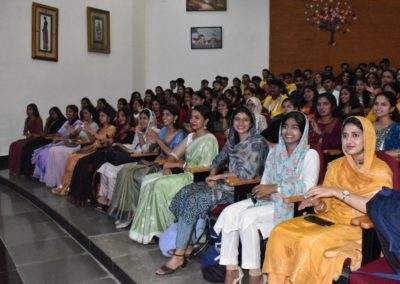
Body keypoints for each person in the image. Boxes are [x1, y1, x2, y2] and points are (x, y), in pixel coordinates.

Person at [263, 116, 393, 284]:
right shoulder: (337, 165)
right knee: (280, 231)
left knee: (311, 243)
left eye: (355, 135)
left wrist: (337, 192)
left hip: (357, 227)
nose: (349, 140)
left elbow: (373, 208)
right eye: (345, 136)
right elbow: (326, 207)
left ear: (367, 138)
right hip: (329, 220)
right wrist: (317, 203)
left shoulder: (380, 170)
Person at [157, 106, 267, 276]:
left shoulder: (257, 142)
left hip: (242, 189)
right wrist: (213, 173)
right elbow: (218, 159)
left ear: (251, 122)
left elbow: (247, 174)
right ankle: (188, 244)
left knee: (195, 200)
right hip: (224, 183)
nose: (241, 123)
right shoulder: (232, 139)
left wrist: (219, 177)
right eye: (237, 119)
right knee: (185, 192)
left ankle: (178, 256)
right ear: (232, 121)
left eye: (245, 120)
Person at [215, 111, 319, 284]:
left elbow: (308, 187)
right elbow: (264, 183)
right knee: (229, 212)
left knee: (247, 217)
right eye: (285, 127)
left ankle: (255, 275)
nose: (288, 131)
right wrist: (265, 190)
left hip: (289, 205)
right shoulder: (274, 152)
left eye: (294, 128)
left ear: (303, 131)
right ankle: (231, 270)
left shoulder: (310, 154)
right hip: (267, 201)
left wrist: (275, 188)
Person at [129, 105, 219, 244]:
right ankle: (147, 230)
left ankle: (161, 231)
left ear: (206, 121)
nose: (193, 120)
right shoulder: (191, 136)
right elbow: (173, 154)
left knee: (159, 185)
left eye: (197, 118)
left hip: (196, 178)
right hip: (184, 173)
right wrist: (169, 165)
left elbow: (205, 169)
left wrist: (179, 165)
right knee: (148, 179)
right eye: (191, 117)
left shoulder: (210, 139)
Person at [106, 105, 186, 228]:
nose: (164, 117)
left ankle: (132, 215)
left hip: (169, 168)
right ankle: (124, 214)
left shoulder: (181, 134)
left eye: (168, 114)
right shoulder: (163, 130)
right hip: (156, 162)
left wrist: (158, 140)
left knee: (136, 176)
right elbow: (150, 149)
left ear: (175, 117)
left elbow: (174, 155)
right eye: (163, 114)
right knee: (124, 171)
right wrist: (147, 145)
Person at [67, 108, 135, 205]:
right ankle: (78, 195)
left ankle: (87, 196)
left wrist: (93, 132)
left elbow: (104, 141)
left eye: (123, 116)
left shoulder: (118, 128)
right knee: (80, 162)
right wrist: (89, 132)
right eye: (119, 116)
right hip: (108, 152)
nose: (120, 118)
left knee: (86, 164)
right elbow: (100, 141)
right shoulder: (118, 129)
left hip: (112, 155)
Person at [95, 108, 158, 208]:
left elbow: (146, 151)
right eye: (140, 118)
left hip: (142, 160)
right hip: (133, 156)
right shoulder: (141, 130)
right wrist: (122, 146)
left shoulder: (154, 131)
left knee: (112, 170)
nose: (142, 121)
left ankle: (112, 201)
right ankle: (104, 197)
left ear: (150, 119)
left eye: (145, 118)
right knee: (105, 166)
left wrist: (140, 134)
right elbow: (133, 146)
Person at [51, 109, 116, 197]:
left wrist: (91, 131)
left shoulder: (112, 128)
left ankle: (69, 187)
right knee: (72, 156)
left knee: (76, 160)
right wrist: (88, 131)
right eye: (100, 116)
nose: (100, 118)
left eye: (103, 116)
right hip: (93, 148)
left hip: (101, 152)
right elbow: (93, 140)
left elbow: (102, 139)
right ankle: (65, 185)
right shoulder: (101, 128)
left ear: (108, 117)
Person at [42, 106, 99, 188]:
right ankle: (57, 179)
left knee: (62, 152)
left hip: (85, 146)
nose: (84, 115)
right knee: (53, 150)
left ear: (91, 114)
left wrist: (87, 131)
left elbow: (92, 140)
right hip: (77, 143)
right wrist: (72, 131)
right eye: (83, 113)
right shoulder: (83, 124)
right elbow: (75, 134)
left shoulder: (94, 125)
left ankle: (65, 180)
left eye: (86, 113)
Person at [32, 105, 82, 182]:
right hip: (62, 141)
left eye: (70, 111)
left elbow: (73, 135)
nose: (67, 113)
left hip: (71, 144)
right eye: (67, 111)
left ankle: (52, 177)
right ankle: (43, 176)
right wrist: (56, 138)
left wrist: (63, 136)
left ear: (75, 113)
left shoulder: (78, 123)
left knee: (48, 153)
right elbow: (59, 133)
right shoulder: (67, 122)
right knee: (41, 152)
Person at [19, 107, 66, 176]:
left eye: (53, 113)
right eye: (51, 114)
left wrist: (48, 135)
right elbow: (44, 132)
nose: (52, 115)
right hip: (46, 138)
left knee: (33, 149)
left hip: (53, 140)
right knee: (28, 146)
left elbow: (59, 134)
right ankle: (25, 170)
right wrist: (47, 123)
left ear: (58, 113)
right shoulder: (51, 121)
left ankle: (31, 171)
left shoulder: (63, 121)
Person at [9, 104, 43, 175]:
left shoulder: (38, 119)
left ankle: (19, 169)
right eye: (27, 109)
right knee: (13, 145)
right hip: (29, 138)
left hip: (36, 139)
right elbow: (25, 131)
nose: (28, 111)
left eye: (30, 109)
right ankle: (13, 168)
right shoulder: (27, 119)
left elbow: (40, 134)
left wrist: (32, 134)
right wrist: (26, 134)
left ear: (34, 110)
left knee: (20, 146)